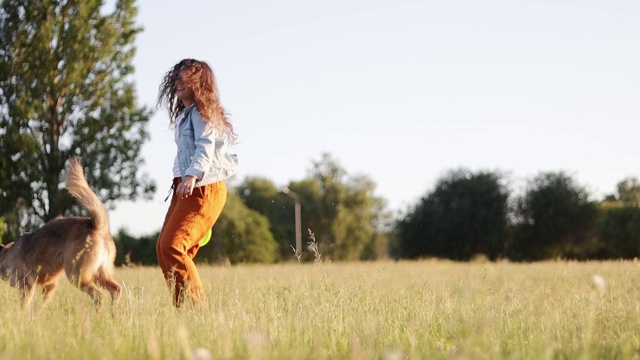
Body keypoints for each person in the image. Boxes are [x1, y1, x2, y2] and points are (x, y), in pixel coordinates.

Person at [156, 59, 238, 308]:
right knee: (164, 248)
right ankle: (184, 311)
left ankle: (197, 310)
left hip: (202, 187)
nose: (179, 82)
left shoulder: (204, 113)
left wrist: (193, 175)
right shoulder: (185, 115)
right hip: (185, 187)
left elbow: (205, 145)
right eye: (177, 77)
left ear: (199, 84)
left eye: (186, 78)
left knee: (173, 246)